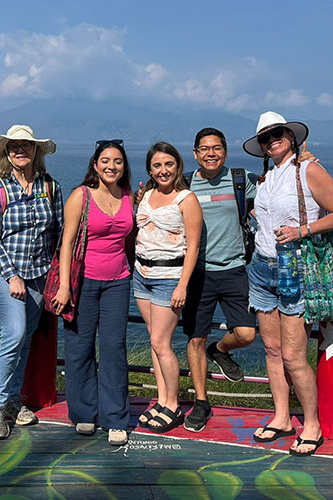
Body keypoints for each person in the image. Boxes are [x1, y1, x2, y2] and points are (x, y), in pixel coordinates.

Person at [243, 112, 333, 456]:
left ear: (291, 136)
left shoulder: (308, 170)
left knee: (292, 355)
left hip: (295, 268)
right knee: (272, 350)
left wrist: (300, 230)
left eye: (277, 133)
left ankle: (313, 424)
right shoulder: (265, 178)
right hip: (262, 267)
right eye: (265, 137)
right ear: (260, 146)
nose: (272, 139)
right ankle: (281, 417)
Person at [0, 125, 63, 440]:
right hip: (6, 273)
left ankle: (14, 398)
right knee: (13, 334)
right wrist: (12, 275)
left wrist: (57, 274)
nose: (20, 151)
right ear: (6, 153)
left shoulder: (50, 186)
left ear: (35, 152)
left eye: (26, 146)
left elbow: (58, 230)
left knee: (26, 338)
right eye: (14, 146)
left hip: (40, 274)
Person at [51, 139, 134, 446]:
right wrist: (64, 286)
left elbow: (129, 240)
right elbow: (67, 243)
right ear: (95, 165)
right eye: (106, 160)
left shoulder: (128, 196)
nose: (112, 166)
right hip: (83, 282)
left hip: (118, 281)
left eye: (118, 161)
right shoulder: (80, 196)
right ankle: (84, 413)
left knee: (114, 349)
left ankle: (115, 418)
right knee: (79, 348)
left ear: (123, 166)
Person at [180, 128, 259, 432]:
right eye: (204, 149)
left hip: (234, 268)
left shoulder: (243, 180)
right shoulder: (185, 183)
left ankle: (221, 350)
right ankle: (201, 402)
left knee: (247, 333)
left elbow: (275, 197)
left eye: (217, 148)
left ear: (225, 152)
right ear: (195, 153)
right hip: (197, 271)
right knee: (195, 338)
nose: (211, 153)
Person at [133, 142, 202, 434]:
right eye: (157, 166)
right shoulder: (145, 195)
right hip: (141, 275)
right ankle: (161, 400)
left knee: (162, 343)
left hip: (170, 278)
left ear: (178, 166)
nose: (163, 171)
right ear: (150, 169)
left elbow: (194, 247)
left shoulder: (186, 199)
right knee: (154, 341)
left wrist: (182, 285)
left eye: (169, 165)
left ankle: (173, 405)